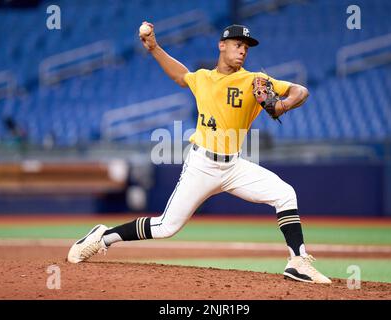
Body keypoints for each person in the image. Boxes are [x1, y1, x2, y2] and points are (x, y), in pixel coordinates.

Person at [68, 23, 331, 284]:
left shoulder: (253, 81)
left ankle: (297, 261)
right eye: (238, 45)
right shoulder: (203, 78)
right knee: (165, 227)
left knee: (285, 193)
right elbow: (180, 76)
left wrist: (283, 105)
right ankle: (102, 238)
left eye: (246, 48)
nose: (243, 51)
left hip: (234, 167)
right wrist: (155, 48)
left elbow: (301, 91)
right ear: (222, 46)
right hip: (202, 165)